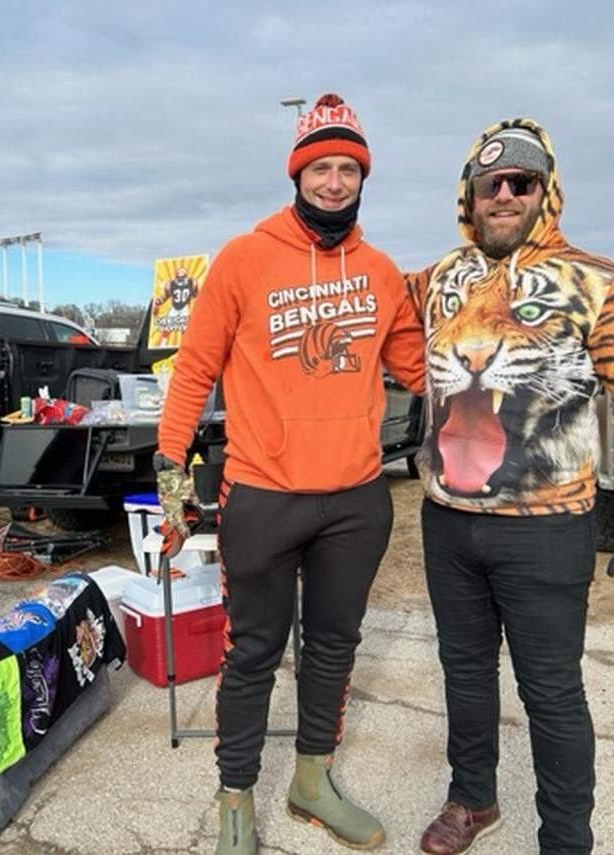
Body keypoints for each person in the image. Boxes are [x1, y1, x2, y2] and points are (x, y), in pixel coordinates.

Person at [404, 120, 614, 854]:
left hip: (547, 526)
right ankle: (472, 798)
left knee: (552, 694)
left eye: (521, 182)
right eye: (489, 182)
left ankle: (566, 838)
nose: (504, 193)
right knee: (464, 674)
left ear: (546, 193)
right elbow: (362, 308)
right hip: (447, 519)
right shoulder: (439, 277)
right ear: (468, 195)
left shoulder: (597, 280)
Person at [156, 93, 425, 854]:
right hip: (263, 495)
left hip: (356, 500)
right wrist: (172, 482)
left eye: (348, 168)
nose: (334, 182)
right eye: (321, 167)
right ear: (298, 173)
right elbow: (191, 374)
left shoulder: (378, 272)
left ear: (362, 177)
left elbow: (418, 366)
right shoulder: (243, 258)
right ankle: (235, 792)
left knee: (336, 646)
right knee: (253, 652)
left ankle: (312, 779)